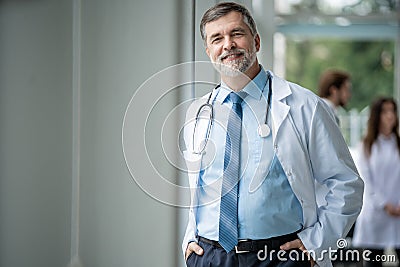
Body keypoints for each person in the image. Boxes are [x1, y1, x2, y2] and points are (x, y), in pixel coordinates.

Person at [182, 2, 364, 267]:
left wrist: (315, 245)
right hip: (210, 257)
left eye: (237, 33)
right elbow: (198, 189)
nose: (228, 44)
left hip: (278, 257)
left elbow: (346, 183)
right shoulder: (198, 113)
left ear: (256, 40)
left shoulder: (304, 106)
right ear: (209, 51)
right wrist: (190, 241)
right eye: (217, 38)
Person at [352, 97, 400, 267]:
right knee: (373, 261)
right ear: (377, 115)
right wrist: (385, 205)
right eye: (385, 111)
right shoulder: (366, 145)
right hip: (375, 214)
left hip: (398, 214)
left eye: (392, 111)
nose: (390, 116)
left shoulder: (398, 144)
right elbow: (366, 181)